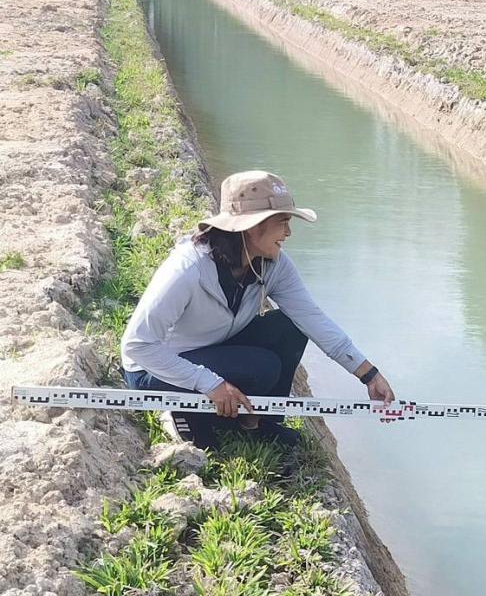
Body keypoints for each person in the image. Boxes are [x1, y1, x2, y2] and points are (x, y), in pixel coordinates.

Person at [120, 170, 394, 450]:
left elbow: (312, 318)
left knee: (288, 328)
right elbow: (137, 346)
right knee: (262, 369)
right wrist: (210, 383)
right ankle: (188, 416)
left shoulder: (274, 265)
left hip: (211, 347)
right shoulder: (188, 270)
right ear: (252, 226)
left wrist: (368, 374)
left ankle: (258, 421)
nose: (288, 233)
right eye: (283, 222)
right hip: (154, 369)